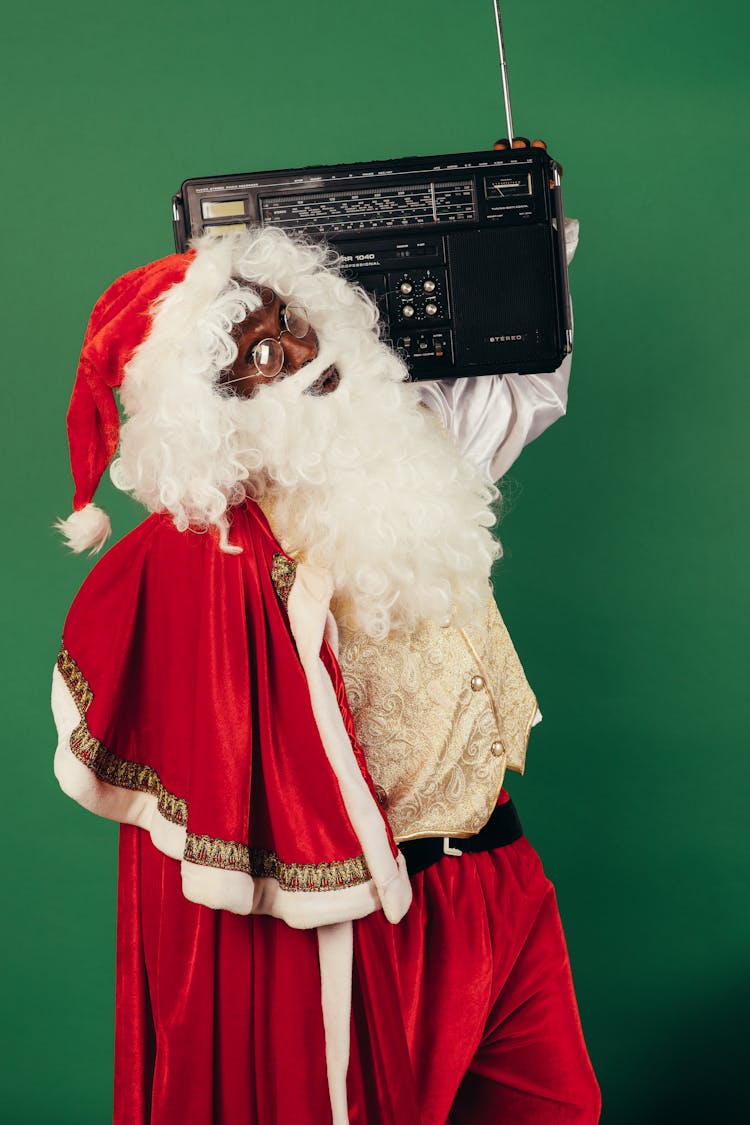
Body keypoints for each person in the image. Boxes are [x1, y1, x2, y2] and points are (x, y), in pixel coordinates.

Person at [52, 213, 600, 1123]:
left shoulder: (406, 446)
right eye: (253, 357)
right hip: (382, 915)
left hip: (503, 874)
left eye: (286, 321)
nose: (293, 351)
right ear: (212, 413)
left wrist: (527, 227)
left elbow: (525, 388)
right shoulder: (214, 560)